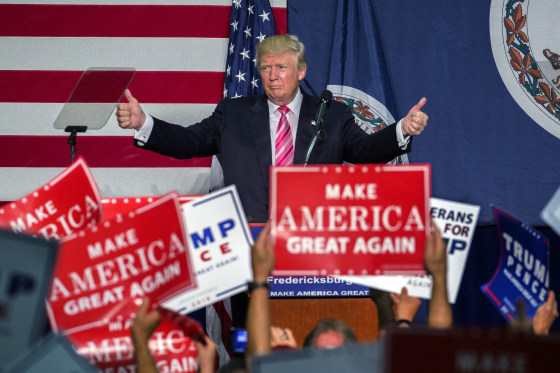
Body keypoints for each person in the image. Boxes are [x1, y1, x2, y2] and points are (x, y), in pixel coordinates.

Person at [116, 34, 429, 223]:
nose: (273, 75)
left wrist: (402, 128)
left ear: (301, 71)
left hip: (311, 239)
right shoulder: (233, 113)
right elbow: (187, 143)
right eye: (265, 67)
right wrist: (144, 123)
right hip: (250, 242)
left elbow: (365, 152)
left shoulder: (331, 114)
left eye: (281, 67)